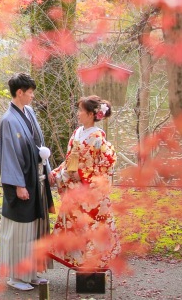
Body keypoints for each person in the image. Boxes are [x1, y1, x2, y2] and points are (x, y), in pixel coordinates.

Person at [0, 73, 55, 291]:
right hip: (22, 182)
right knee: (20, 230)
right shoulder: (8, 120)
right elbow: (9, 156)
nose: (32, 96)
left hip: (37, 178)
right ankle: (16, 276)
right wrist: (18, 185)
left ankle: (31, 272)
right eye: (30, 92)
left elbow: (40, 146)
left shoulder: (29, 112)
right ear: (19, 92)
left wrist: (47, 168)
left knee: (35, 228)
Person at [49, 95, 120, 268]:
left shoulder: (97, 136)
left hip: (89, 192)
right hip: (75, 190)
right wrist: (56, 172)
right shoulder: (77, 132)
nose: (78, 113)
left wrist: (84, 174)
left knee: (90, 228)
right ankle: (80, 264)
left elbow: (108, 161)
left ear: (90, 114)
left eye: (81, 110)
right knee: (77, 227)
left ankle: (93, 266)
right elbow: (69, 160)